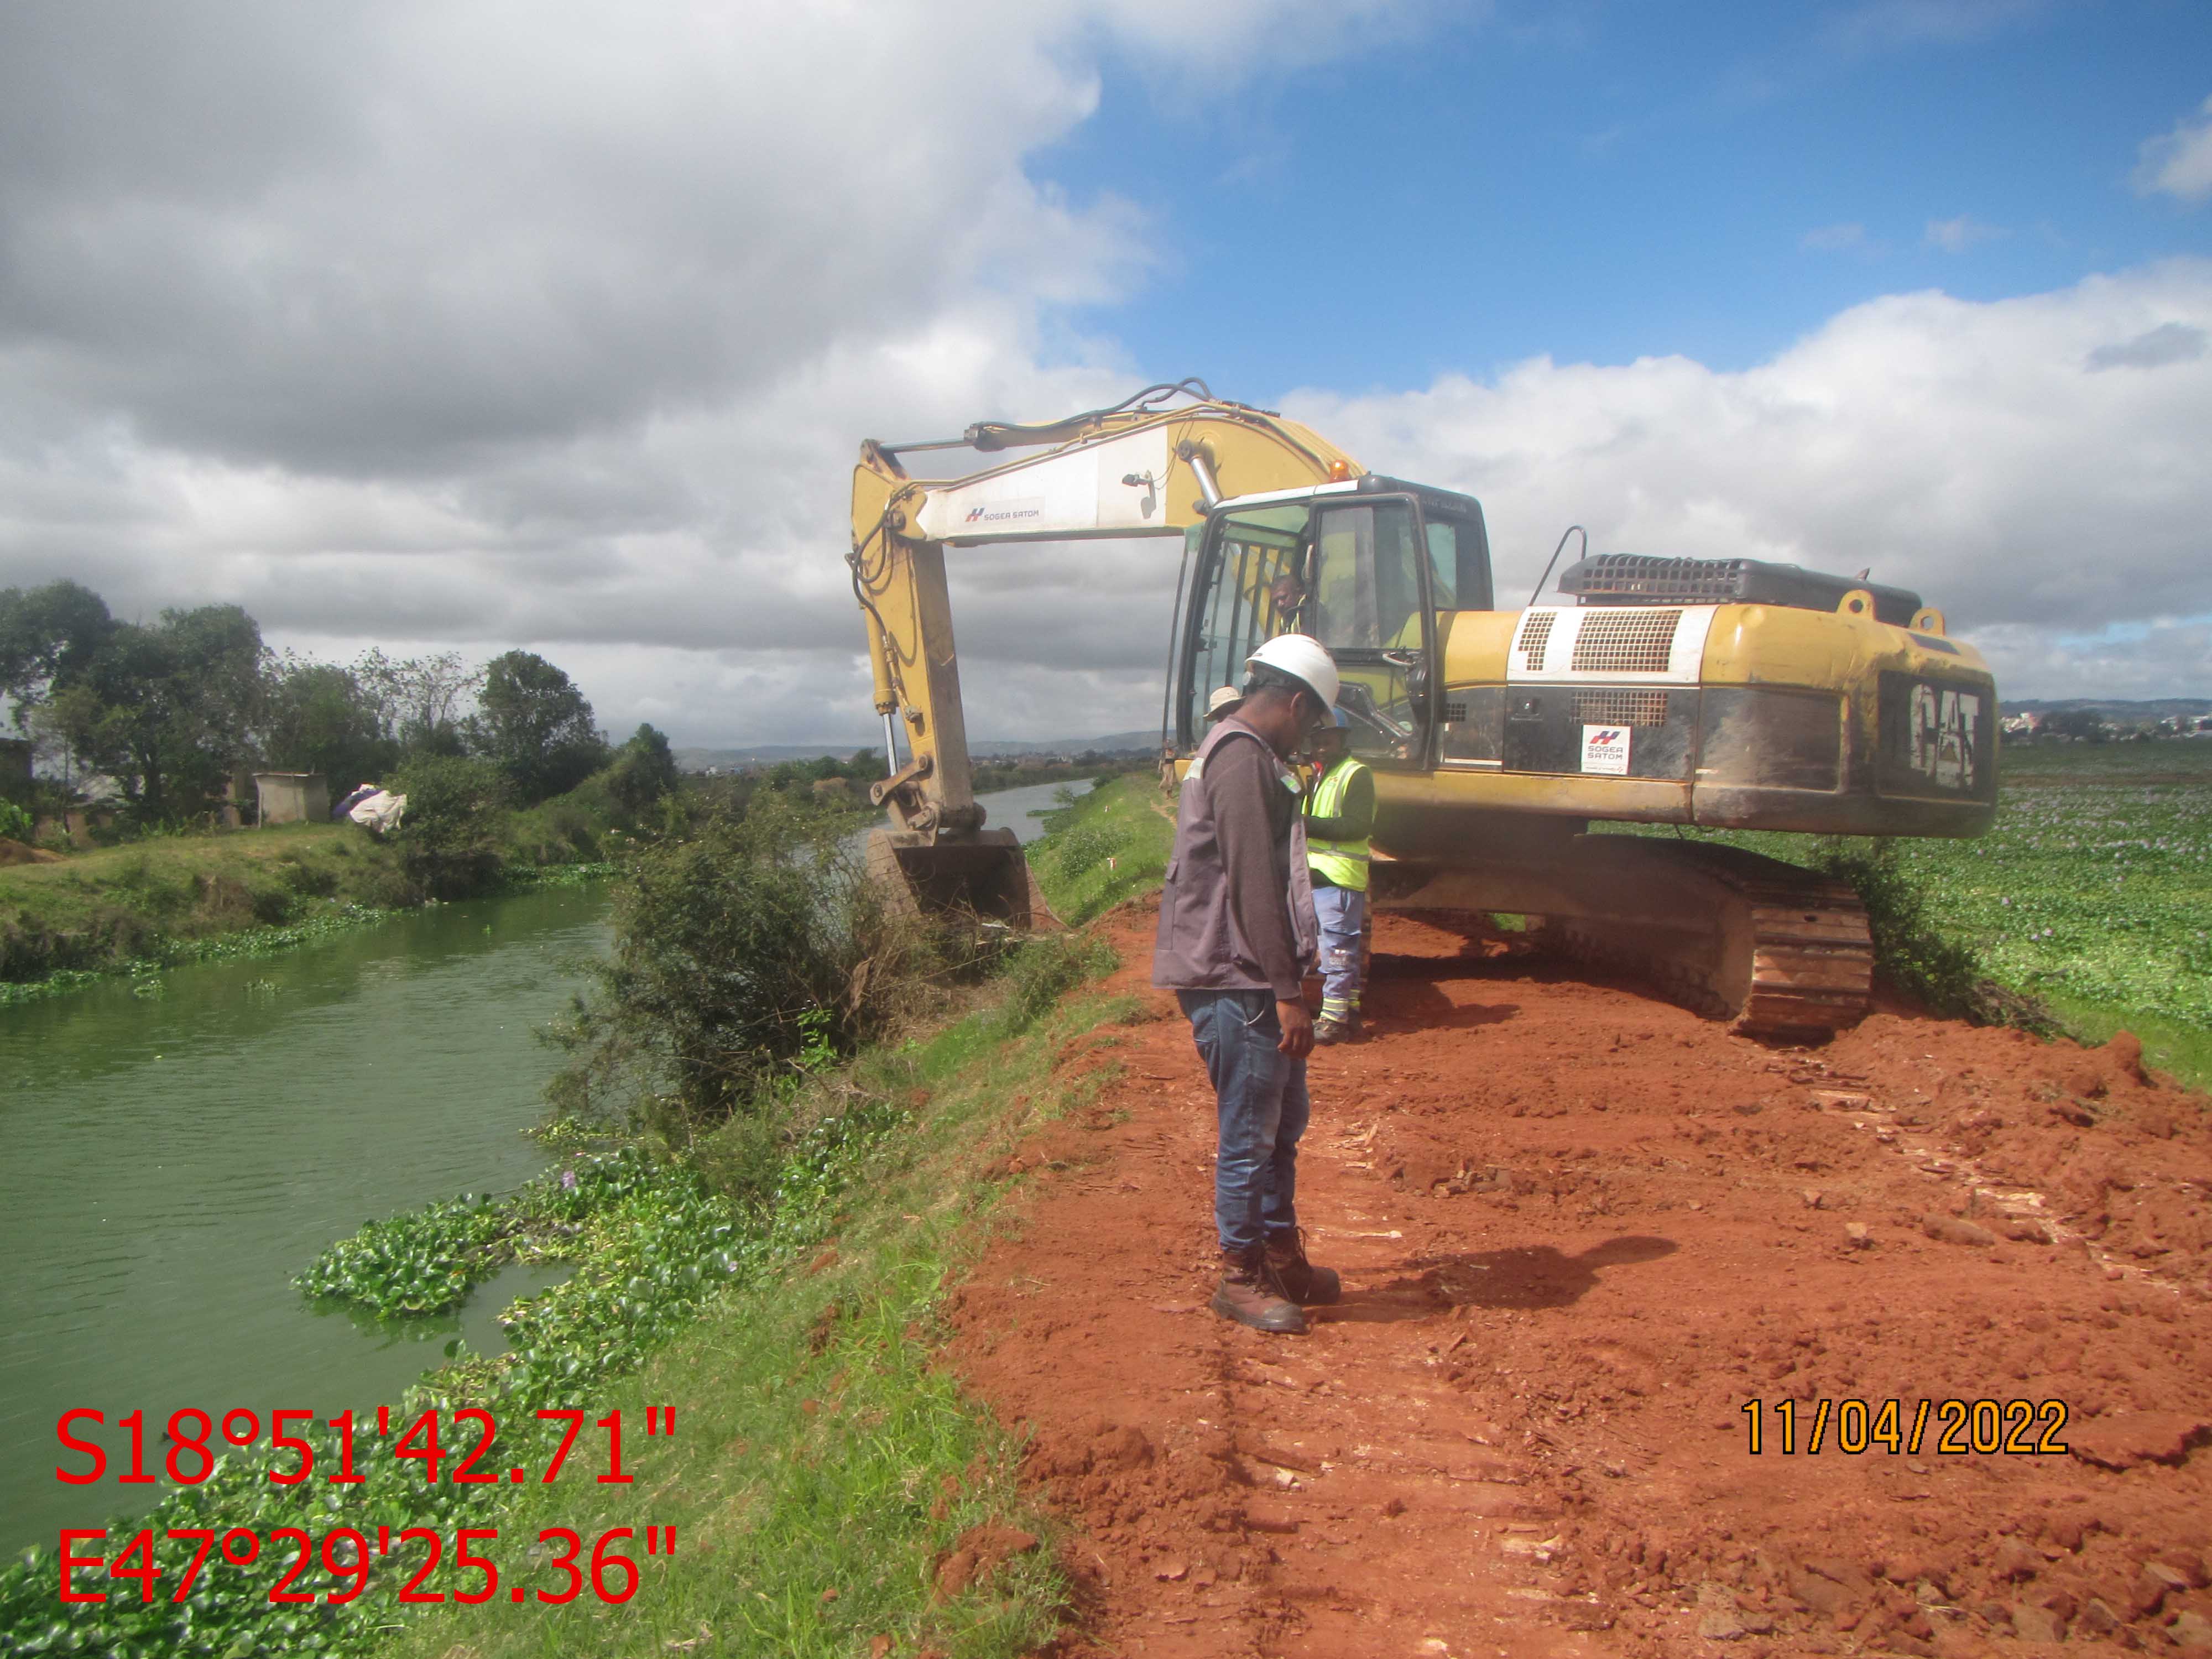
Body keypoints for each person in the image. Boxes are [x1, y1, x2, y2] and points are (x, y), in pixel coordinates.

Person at [1153, 633, 1344, 1335]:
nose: (1311, 733)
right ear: (1295, 703)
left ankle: (1279, 1253)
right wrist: (1286, 990)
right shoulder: (1239, 761)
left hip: (1253, 974)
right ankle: (1239, 1277)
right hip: (1235, 980)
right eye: (1313, 720)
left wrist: (1297, 974)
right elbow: (1253, 886)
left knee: (1282, 1124)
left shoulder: (1253, 758)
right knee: (1249, 1131)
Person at [1302, 708, 1374, 1044]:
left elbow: (1357, 826)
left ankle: (1332, 1021)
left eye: (1326, 740)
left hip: (1340, 877)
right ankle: (1349, 1012)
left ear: (1342, 739)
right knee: (1336, 948)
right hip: (1318, 876)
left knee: (1338, 951)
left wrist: (1305, 826)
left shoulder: (1355, 775)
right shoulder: (1319, 775)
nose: (1320, 747)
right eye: (1316, 741)